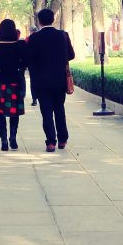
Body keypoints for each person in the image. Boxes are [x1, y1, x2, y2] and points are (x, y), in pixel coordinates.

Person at [28, 8, 75, 152]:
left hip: (42, 82)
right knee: (59, 109)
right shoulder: (63, 35)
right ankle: (63, 139)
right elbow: (71, 55)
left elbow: (30, 59)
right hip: (60, 80)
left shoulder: (34, 38)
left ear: (39, 21)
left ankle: (50, 142)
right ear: (53, 19)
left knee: (46, 112)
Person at [0, 19, 29, 151]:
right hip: (15, 82)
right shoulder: (19, 46)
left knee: (0, 111)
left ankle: (3, 140)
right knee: (14, 112)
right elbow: (25, 63)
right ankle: (13, 138)